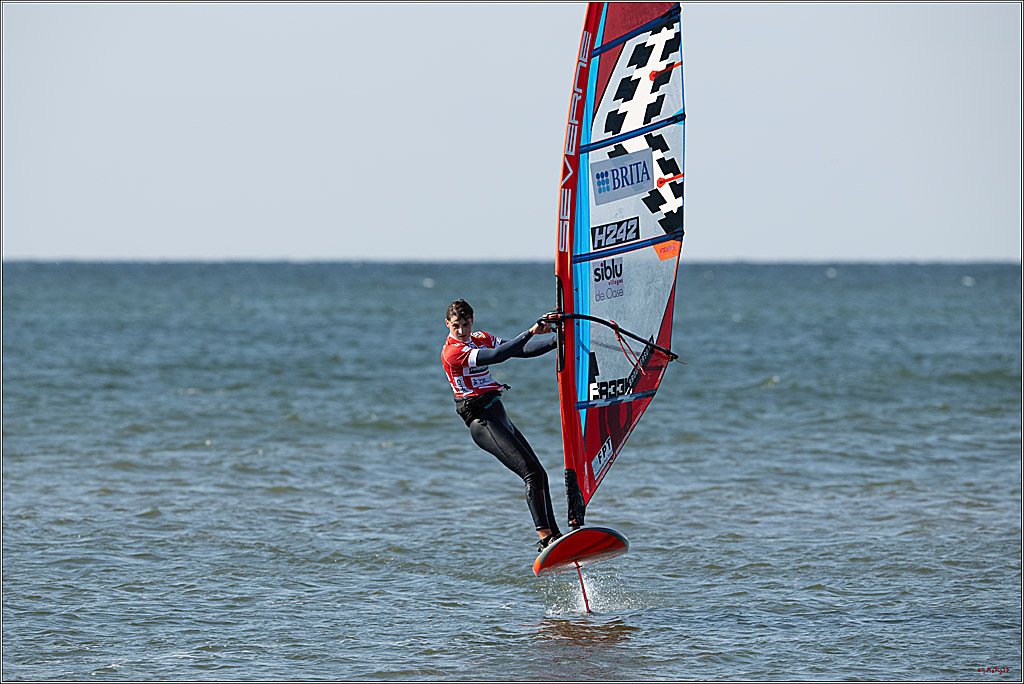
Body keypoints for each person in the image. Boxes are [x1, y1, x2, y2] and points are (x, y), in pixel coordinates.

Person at [441, 298, 563, 553]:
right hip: (481, 422)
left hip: (499, 414)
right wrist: (531, 330)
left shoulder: (480, 337)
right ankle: (545, 540)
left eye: (465, 324)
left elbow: (519, 350)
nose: (461, 331)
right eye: (456, 326)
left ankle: (557, 535)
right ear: (447, 325)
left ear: (472, 322)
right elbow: (498, 356)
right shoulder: (452, 352)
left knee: (540, 473)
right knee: (530, 473)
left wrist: (558, 340)